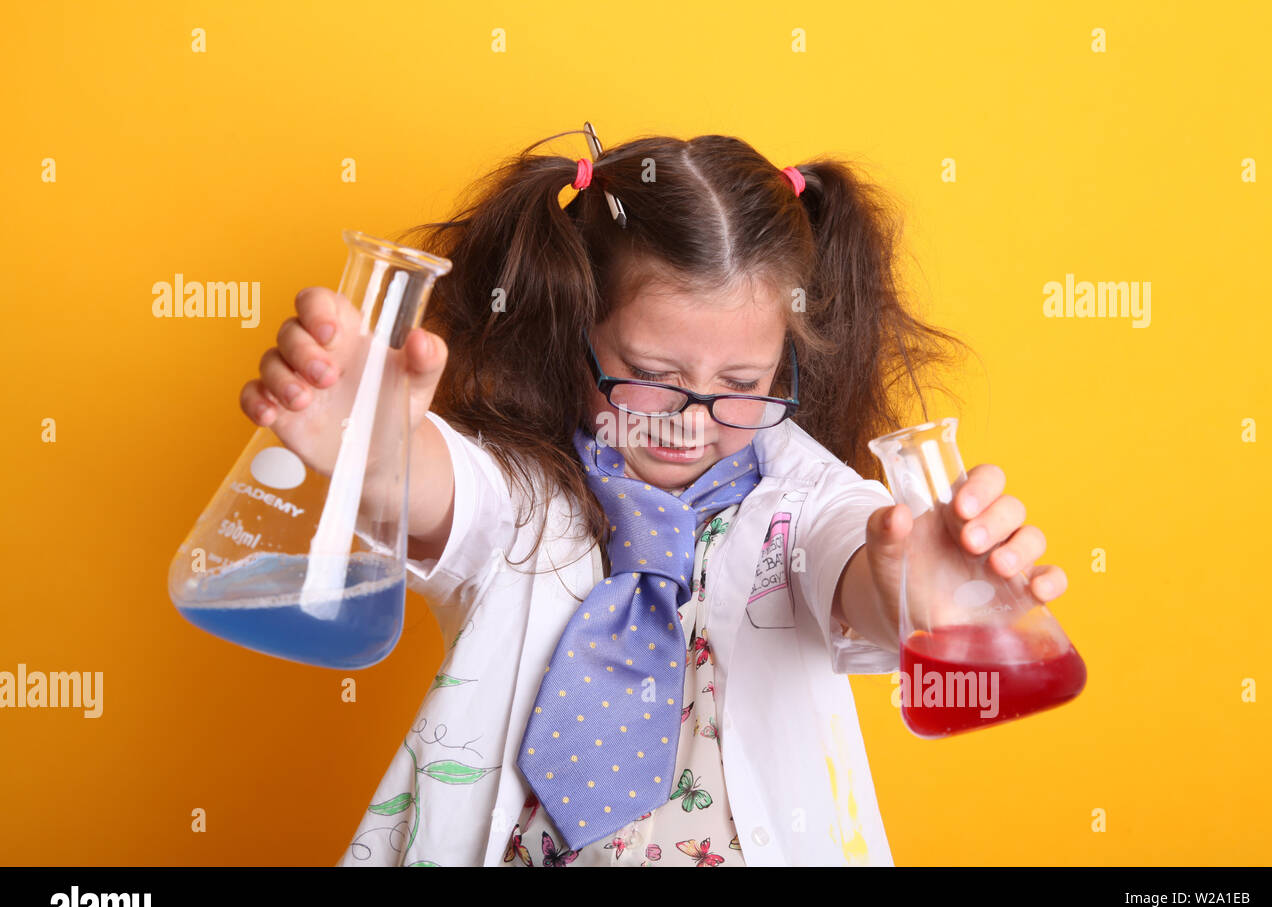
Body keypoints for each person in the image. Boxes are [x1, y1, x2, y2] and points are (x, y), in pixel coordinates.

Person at [241, 128, 1070, 866]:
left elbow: (859, 565)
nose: (691, 421)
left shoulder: (803, 498)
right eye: (652, 379)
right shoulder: (526, 495)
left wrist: (911, 582)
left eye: (741, 384)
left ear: (782, 365)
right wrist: (374, 447)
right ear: (578, 334)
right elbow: (437, 490)